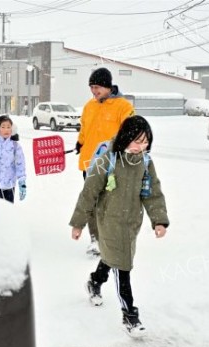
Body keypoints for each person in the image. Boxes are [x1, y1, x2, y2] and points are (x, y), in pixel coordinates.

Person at [69, 116, 169, 337]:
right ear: (125, 138)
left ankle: (94, 281)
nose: (141, 146)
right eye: (136, 141)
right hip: (108, 221)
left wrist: (159, 220)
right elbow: (89, 193)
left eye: (145, 142)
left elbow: (153, 193)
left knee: (112, 257)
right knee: (123, 266)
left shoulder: (145, 162)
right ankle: (130, 317)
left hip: (131, 222)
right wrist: (78, 223)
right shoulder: (108, 161)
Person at [76, 67, 135, 258]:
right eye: (91, 87)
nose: (94, 91)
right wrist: (80, 142)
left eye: (97, 87)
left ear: (108, 86)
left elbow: (129, 132)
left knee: (109, 203)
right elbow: (84, 129)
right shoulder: (89, 106)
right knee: (92, 202)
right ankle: (96, 240)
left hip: (112, 163)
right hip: (89, 163)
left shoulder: (123, 106)